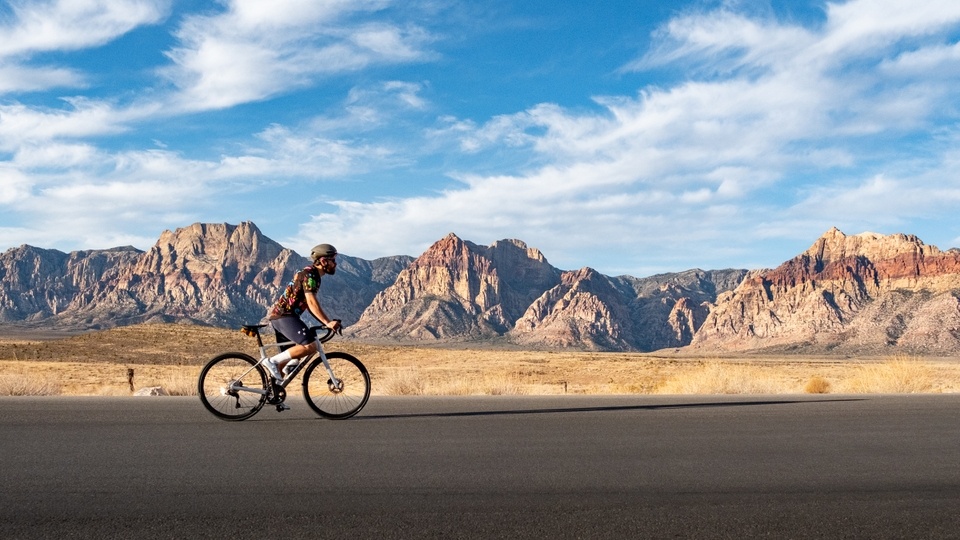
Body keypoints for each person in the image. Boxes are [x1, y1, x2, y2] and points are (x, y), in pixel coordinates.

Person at [262, 243, 342, 386]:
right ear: (323, 261)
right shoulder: (310, 274)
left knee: (287, 362)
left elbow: (310, 306)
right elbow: (311, 302)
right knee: (310, 347)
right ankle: (271, 361)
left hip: (283, 317)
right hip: (285, 316)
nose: (335, 264)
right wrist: (328, 322)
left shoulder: (313, 275)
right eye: (333, 260)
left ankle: (274, 396)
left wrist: (325, 322)